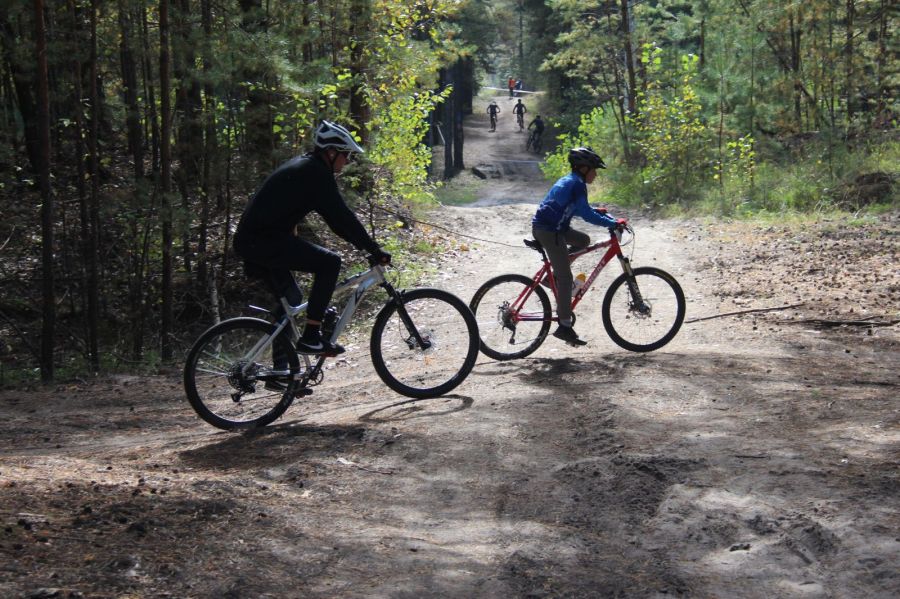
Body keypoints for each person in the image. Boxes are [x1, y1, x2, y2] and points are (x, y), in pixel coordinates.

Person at [234, 120, 391, 356]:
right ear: (330, 152)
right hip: (261, 241)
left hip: (257, 241)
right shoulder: (315, 173)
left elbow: (337, 223)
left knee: (293, 299)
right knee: (330, 263)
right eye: (345, 155)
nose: (347, 161)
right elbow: (343, 218)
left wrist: (365, 247)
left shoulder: (308, 167)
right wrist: (373, 249)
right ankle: (310, 337)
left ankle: (281, 369)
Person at [531, 147, 623, 346]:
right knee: (565, 278)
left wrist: (605, 215)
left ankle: (552, 276)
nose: (596, 174)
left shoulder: (572, 180)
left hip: (552, 228)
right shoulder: (577, 185)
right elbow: (588, 216)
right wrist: (612, 224)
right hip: (550, 231)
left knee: (583, 241)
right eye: (594, 170)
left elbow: (582, 209)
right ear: (583, 168)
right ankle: (564, 326)